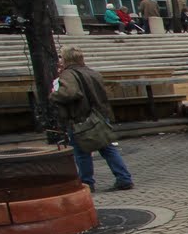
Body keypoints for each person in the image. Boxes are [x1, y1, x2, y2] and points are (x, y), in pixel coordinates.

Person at [49, 47, 133, 192]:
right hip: (99, 116)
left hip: (82, 119)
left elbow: (70, 93)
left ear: (67, 59)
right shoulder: (92, 72)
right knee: (108, 148)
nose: (60, 61)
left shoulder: (68, 74)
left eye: (61, 57)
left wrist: (53, 95)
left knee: (82, 152)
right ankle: (124, 178)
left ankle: (87, 182)